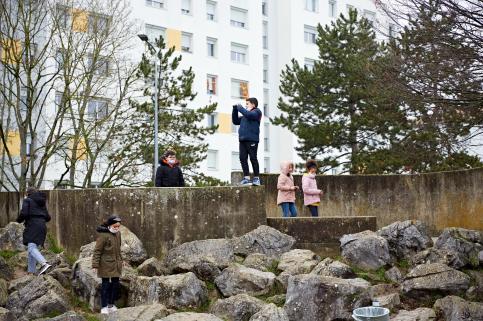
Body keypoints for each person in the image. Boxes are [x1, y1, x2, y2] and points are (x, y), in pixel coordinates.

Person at [16, 187, 52, 275]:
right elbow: (48, 217)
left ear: (28, 193)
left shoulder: (27, 200)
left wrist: (18, 220)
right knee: (32, 247)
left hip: (33, 226)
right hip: (42, 226)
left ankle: (44, 263)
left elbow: (24, 213)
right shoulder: (42, 202)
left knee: (31, 247)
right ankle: (31, 271)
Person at [92, 215, 123, 314]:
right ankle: (104, 306)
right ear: (110, 225)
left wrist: (122, 260)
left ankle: (111, 304)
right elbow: (97, 251)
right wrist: (95, 265)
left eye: (118, 226)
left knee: (115, 285)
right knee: (105, 285)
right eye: (115, 227)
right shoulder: (103, 236)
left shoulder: (118, 234)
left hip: (116, 264)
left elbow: (118, 249)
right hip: (105, 264)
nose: (117, 228)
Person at [232, 97, 262, 186]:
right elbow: (235, 121)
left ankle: (256, 178)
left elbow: (249, 115)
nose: (246, 106)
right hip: (242, 140)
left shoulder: (257, 112)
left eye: (247, 104)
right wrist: (235, 109)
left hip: (252, 140)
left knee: (253, 158)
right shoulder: (245, 115)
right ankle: (246, 178)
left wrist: (240, 108)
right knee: (242, 158)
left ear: (253, 104)